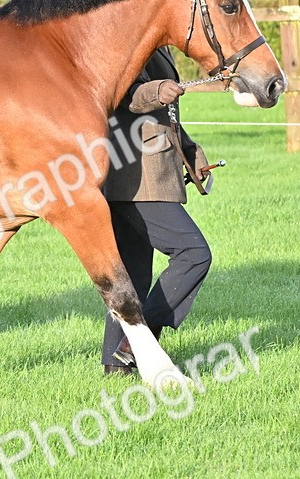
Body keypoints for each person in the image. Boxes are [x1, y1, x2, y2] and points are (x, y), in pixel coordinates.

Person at [101, 46, 214, 375]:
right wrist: (157, 89)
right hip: (138, 177)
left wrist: (190, 152)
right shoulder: (129, 37)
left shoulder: (156, 44)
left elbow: (162, 118)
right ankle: (138, 342)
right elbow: (126, 92)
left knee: (132, 273)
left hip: (135, 175)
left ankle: (116, 364)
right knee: (194, 253)